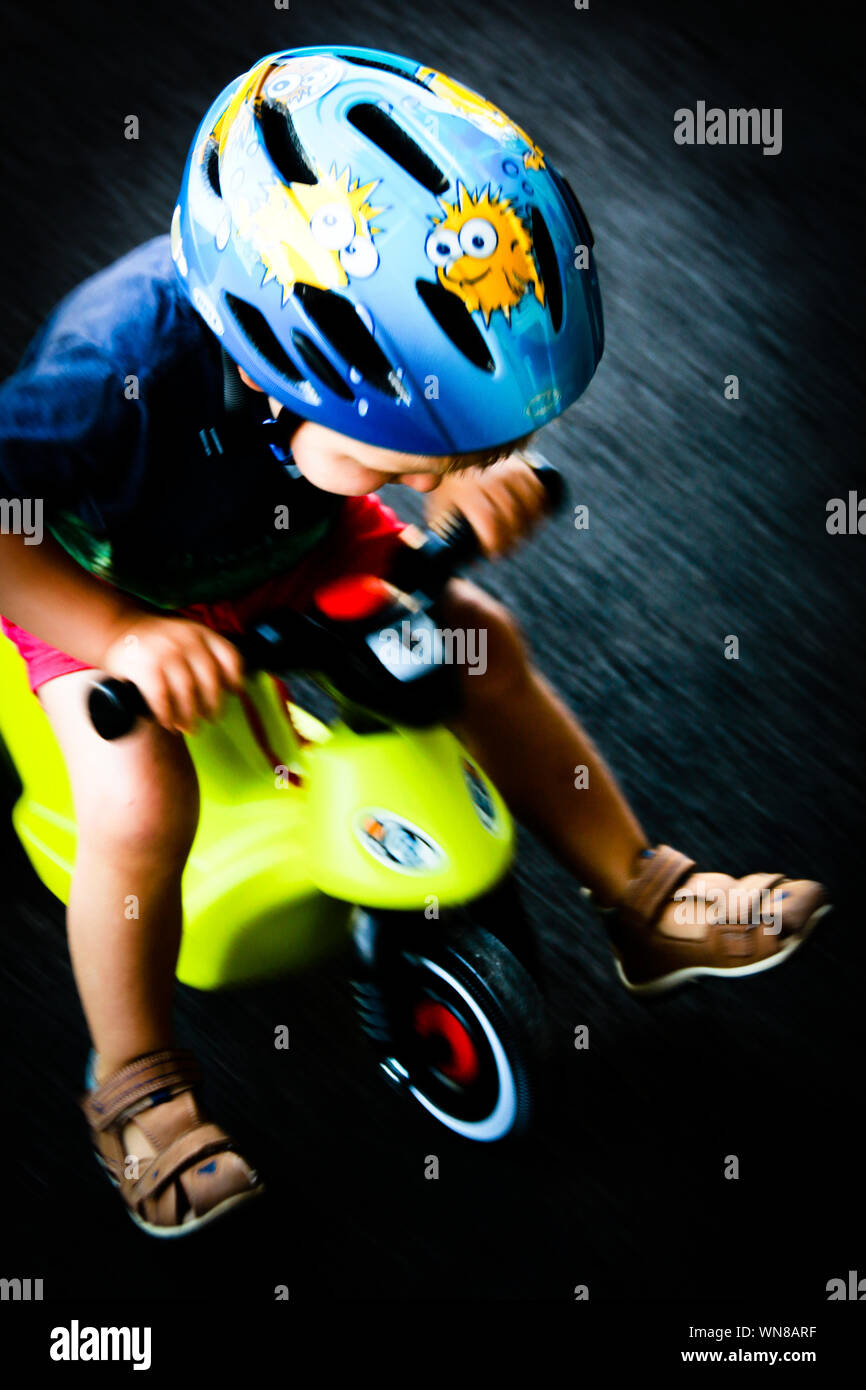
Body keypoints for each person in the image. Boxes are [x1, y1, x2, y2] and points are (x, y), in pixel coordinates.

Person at [0, 47, 829, 1237]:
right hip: (111, 581)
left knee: (473, 642)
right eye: (421, 461)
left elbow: (415, 463)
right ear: (279, 370)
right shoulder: (105, 368)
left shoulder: (359, 395)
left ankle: (641, 897)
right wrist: (122, 635)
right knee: (135, 800)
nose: (446, 478)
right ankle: (132, 1079)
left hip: (295, 538)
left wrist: (473, 487)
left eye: (466, 449)